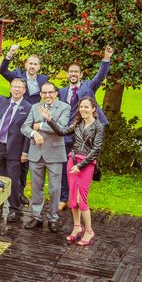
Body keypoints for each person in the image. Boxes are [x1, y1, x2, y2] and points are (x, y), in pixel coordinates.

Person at [41, 97, 104, 246]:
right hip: (72, 161)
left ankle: (89, 231)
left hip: (86, 165)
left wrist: (81, 165)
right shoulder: (77, 123)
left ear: (94, 109)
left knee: (82, 200)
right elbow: (62, 131)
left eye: (87, 107)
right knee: (72, 201)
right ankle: (77, 227)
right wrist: (50, 119)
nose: (83, 109)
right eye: (81, 107)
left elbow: (96, 150)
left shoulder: (98, 127)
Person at [56, 45, 112, 213]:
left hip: (85, 134)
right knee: (66, 167)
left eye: (76, 72)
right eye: (70, 72)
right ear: (67, 75)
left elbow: (101, 76)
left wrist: (106, 58)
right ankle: (64, 198)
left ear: (80, 75)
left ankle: (80, 198)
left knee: (84, 166)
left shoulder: (88, 86)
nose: (73, 74)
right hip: (68, 134)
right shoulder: (62, 91)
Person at [21, 82, 71, 232]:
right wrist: (33, 133)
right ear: (41, 94)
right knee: (36, 188)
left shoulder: (64, 107)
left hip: (55, 154)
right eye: (44, 93)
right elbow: (24, 127)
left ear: (56, 93)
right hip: (36, 153)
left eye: (50, 92)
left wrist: (41, 125)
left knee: (55, 189)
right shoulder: (35, 107)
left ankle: (53, 218)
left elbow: (61, 128)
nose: (47, 95)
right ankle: (36, 217)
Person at [0, 78, 31, 222]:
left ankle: (14, 208)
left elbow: (28, 133)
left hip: (15, 149)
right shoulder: (1, 101)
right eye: (14, 86)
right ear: (10, 88)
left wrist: (25, 151)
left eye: (20, 87)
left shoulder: (28, 107)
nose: (16, 89)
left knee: (13, 179)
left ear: (24, 90)